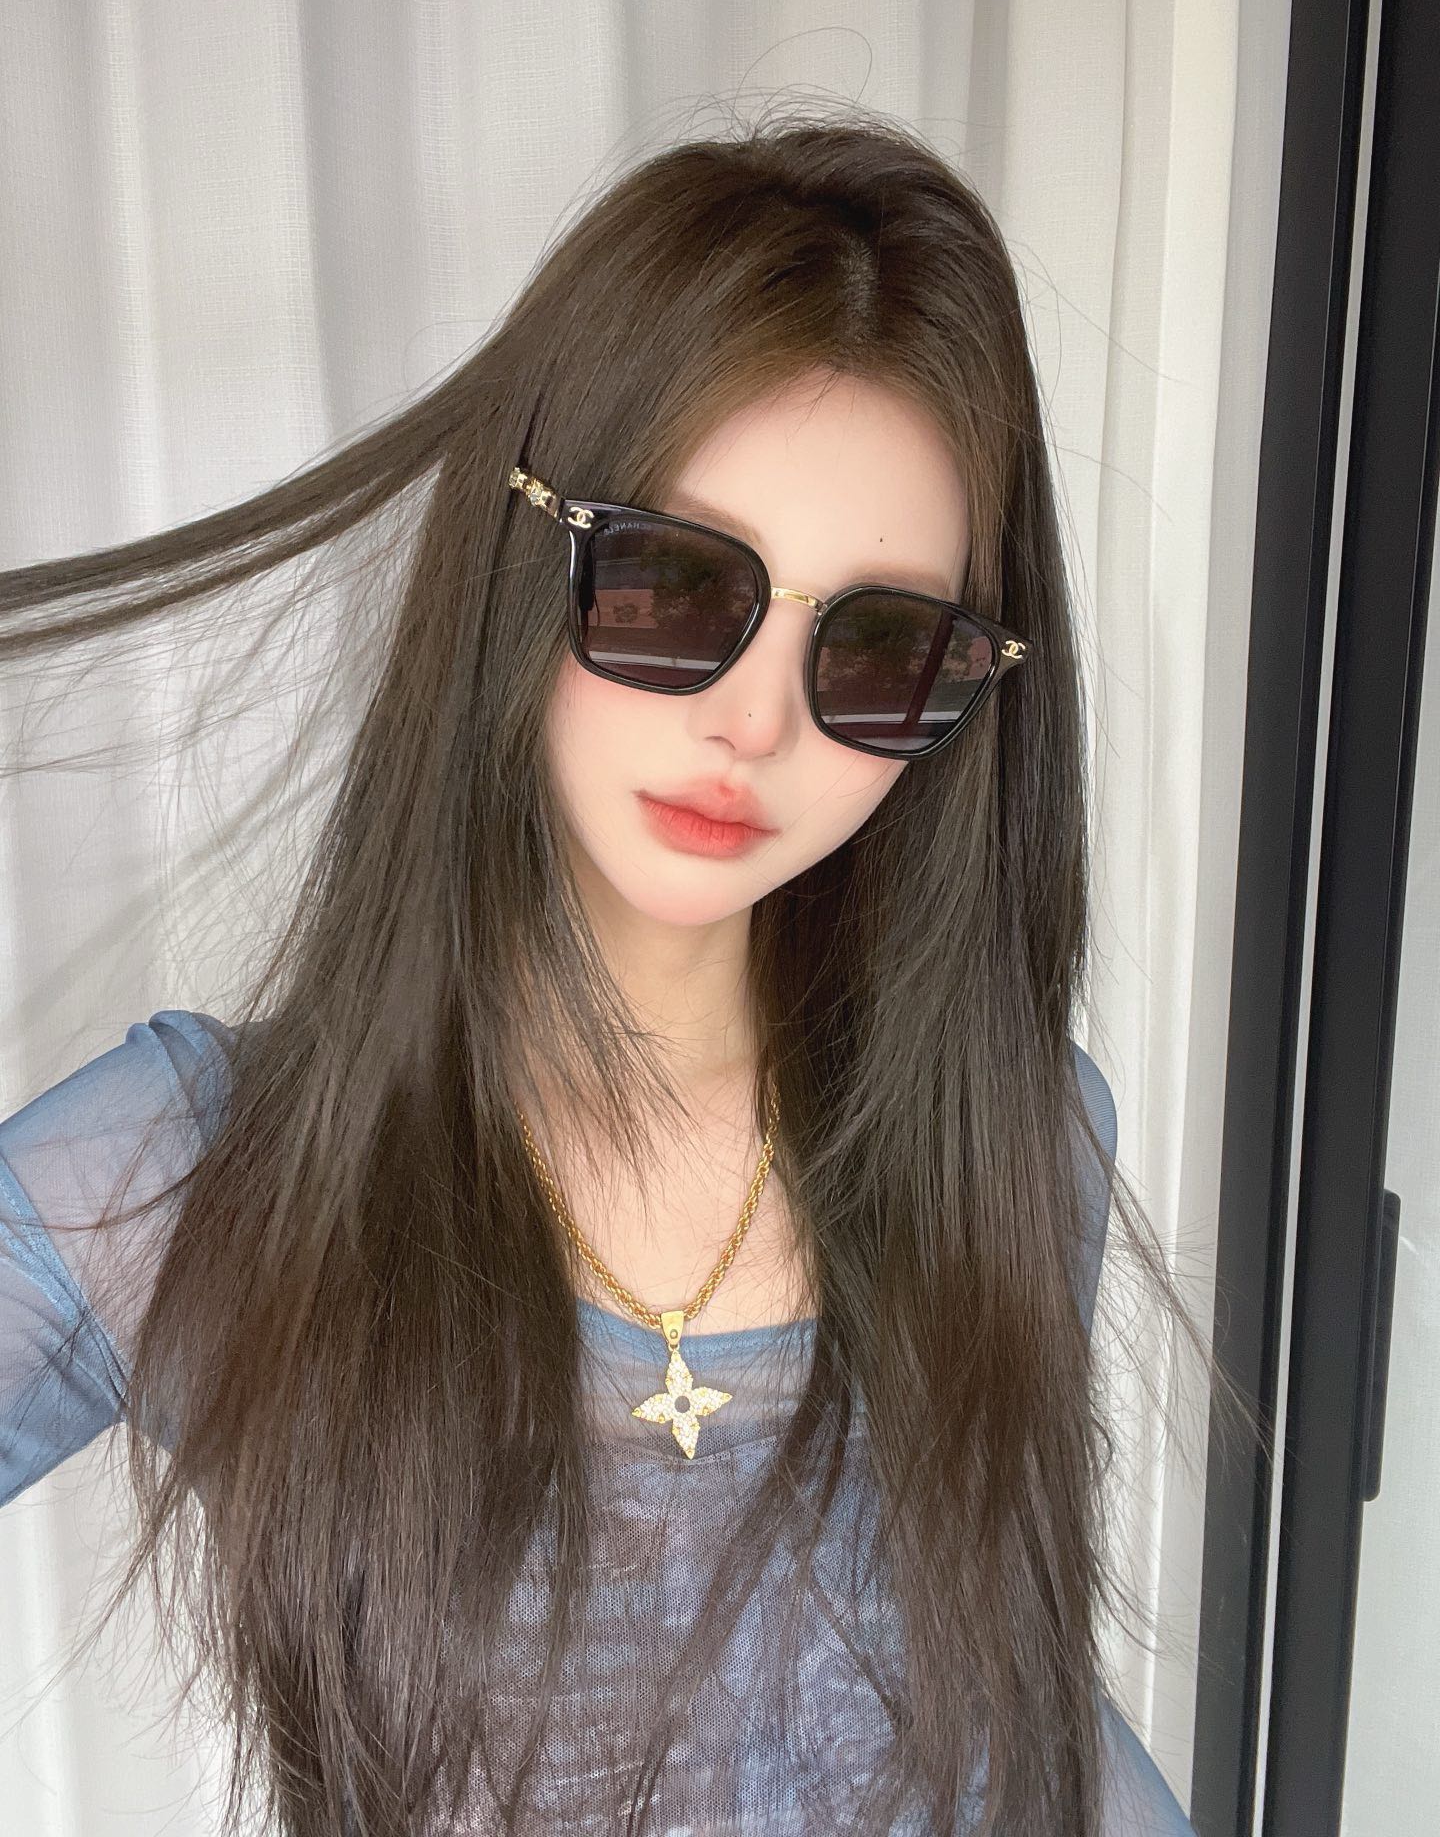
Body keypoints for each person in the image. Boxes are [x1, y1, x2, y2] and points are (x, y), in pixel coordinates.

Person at [0, 107, 1225, 1834]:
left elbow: (1008, 1713)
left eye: (879, 647)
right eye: (673, 584)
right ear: (527, 547)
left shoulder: (1015, 1137)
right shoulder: (202, 1165)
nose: (758, 721)